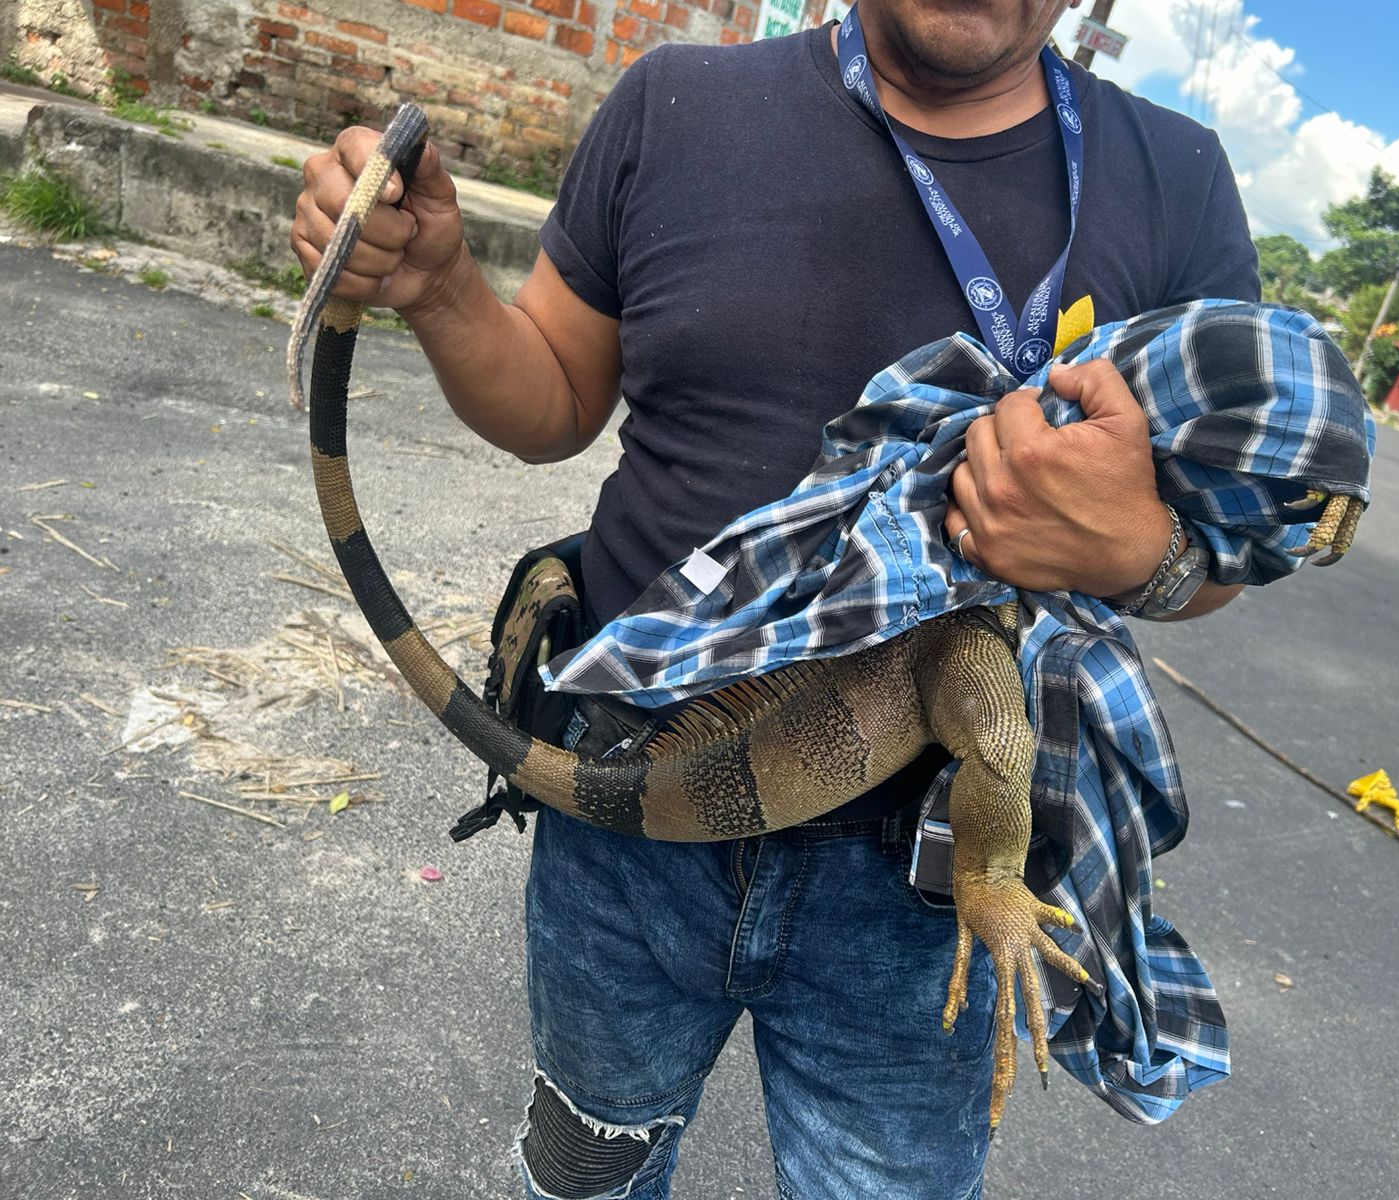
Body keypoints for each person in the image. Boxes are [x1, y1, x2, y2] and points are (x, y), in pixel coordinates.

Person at [291, 2, 1260, 1195]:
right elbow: (549, 402)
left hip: (930, 877)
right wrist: (439, 287)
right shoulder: (678, 102)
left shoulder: (1175, 177)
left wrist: (1137, 548)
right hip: (628, 815)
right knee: (587, 1168)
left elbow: (1220, 553)